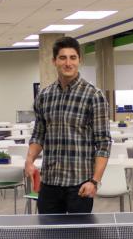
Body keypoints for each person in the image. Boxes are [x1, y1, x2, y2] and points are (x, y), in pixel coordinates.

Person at [26, 36, 111, 214]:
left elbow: (103, 143)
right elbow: (38, 135)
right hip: (49, 183)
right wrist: (29, 160)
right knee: (48, 238)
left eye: (73, 57)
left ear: (80, 60)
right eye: (62, 58)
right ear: (54, 61)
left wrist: (94, 181)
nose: (68, 63)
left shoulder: (94, 96)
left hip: (79, 185)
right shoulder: (44, 96)